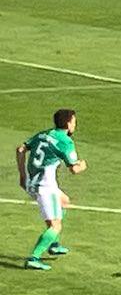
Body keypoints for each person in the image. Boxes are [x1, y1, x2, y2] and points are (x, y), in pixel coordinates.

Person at [15, 109, 88, 271]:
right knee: (55, 226)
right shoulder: (65, 141)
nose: (75, 124)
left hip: (34, 182)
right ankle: (34, 258)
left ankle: (53, 244)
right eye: (74, 121)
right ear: (68, 123)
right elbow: (74, 169)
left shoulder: (43, 134)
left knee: (64, 201)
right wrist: (83, 165)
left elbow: (20, 149)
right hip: (44, 187)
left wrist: (22, 175)